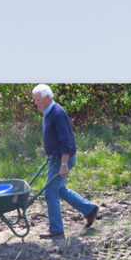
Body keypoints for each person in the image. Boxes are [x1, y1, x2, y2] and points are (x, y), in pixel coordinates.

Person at [31, 84, 99, 239]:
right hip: (55, 158)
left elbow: (67, 142)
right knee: (60, 189)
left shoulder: (57, 114)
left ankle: (56, 229)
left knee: (50, 193)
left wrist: (63, 164)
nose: (36, 103)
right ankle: (89, 209)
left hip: (62, 159)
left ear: (48, 98)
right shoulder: (49, 112)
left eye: (38, 100)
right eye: (34, 100)